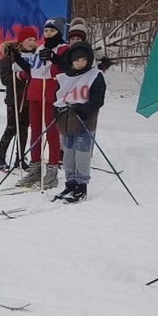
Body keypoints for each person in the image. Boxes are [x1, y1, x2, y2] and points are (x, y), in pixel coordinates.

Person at [50, 41, 106, 203]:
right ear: (71, 61)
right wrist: (57, 113)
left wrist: (82, 109)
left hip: (84, 120)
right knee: (68, 153)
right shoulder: (66, 76)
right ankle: (70, 183)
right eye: (77, 60)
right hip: (67, 121)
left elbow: (97, 100)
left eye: (84, 59)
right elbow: (58, 97)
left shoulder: (95, 75)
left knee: (82, 154)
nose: (81, 63)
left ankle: (82, 186)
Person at [18, 17, 66, 189]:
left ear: (59, 32)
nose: (48, 34)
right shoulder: (40, 48)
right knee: (35, 132)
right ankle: (35, 168)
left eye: (52, 31)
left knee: (51, 132)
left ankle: (52, 171)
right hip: (35, 93)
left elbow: (67, 66)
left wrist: (55, 59)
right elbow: (33, 70)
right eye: (45, 31)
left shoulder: (63, 48)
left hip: (51, 93)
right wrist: (19, 68)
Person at [0, 27, 35, 171]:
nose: (31, 43)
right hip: (14, 99)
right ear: (21, 41)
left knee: (24, 130)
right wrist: (18, 77)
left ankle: (20, 158)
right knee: (12, 128)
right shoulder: (11, 57)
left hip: (29, 99)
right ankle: (0, 158)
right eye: (28, 40)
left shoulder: (35, 56)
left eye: (33, 39)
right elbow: (5, 79)